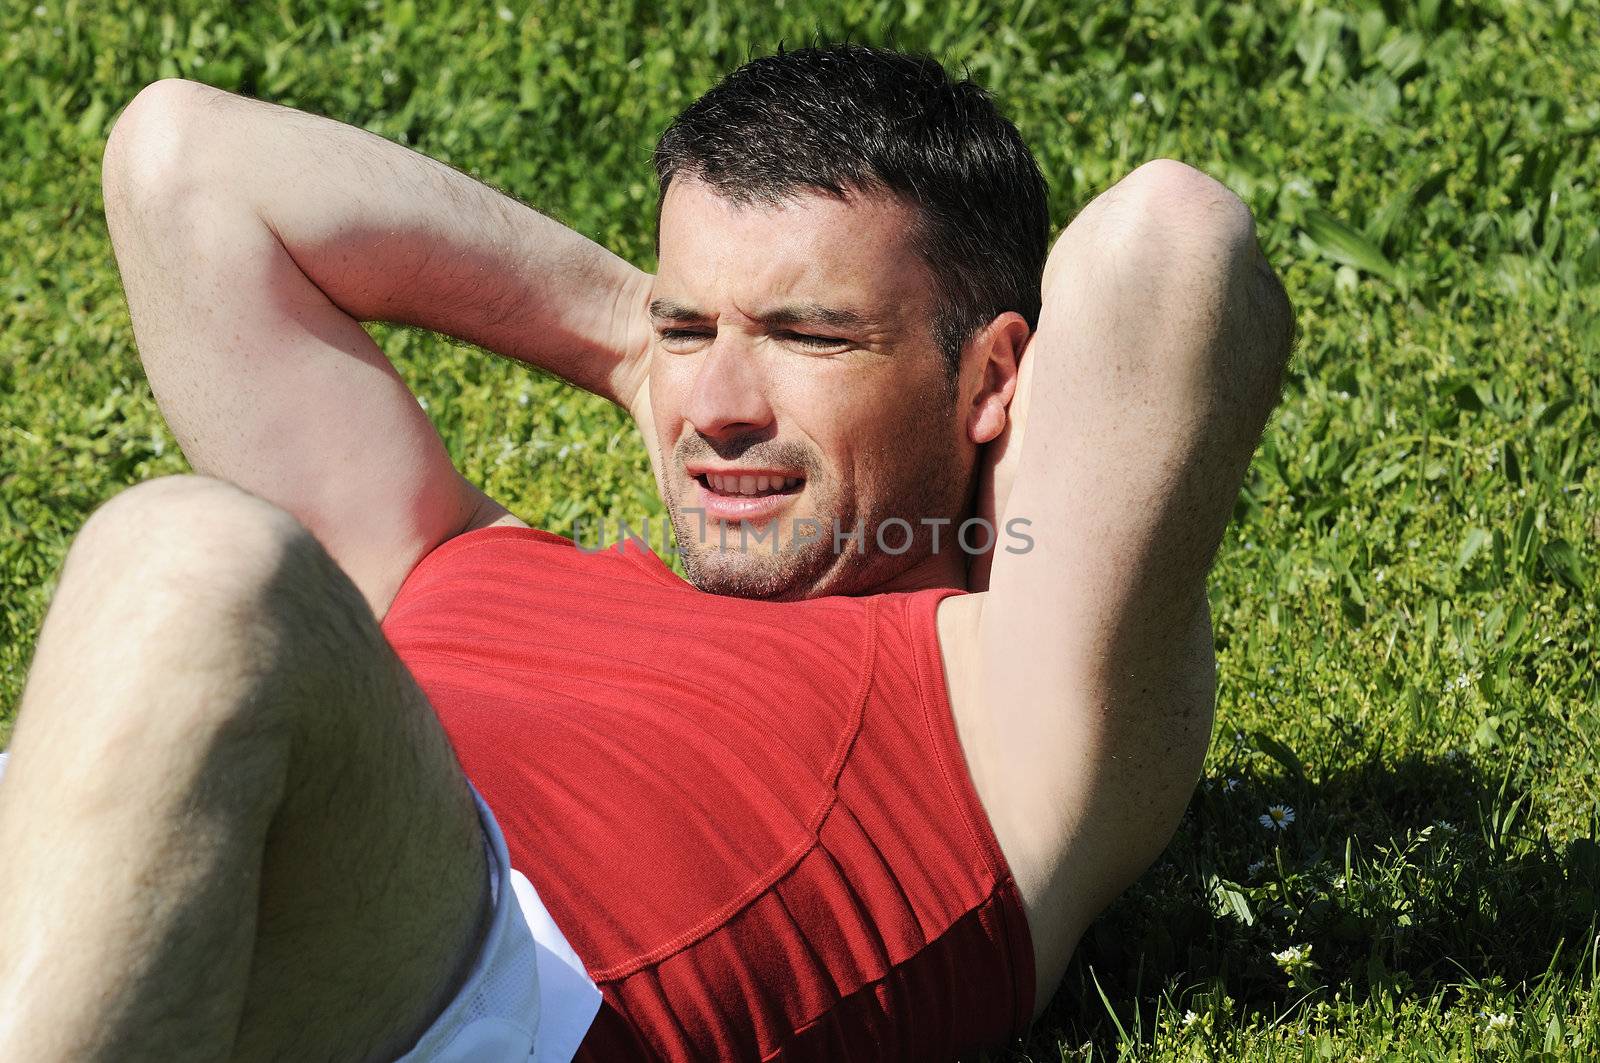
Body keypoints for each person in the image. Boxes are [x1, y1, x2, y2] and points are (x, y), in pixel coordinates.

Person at [0, 42, 1294, 1062]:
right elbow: (183, 160)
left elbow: (1173, 243)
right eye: (686, 329)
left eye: (812, 335)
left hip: (481, 988)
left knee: (188, 562)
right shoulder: (444, 560)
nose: (716, 406)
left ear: (995, 376)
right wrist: (645, 350)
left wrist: (708, 356)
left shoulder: (1010, 705)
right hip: (107, 883)